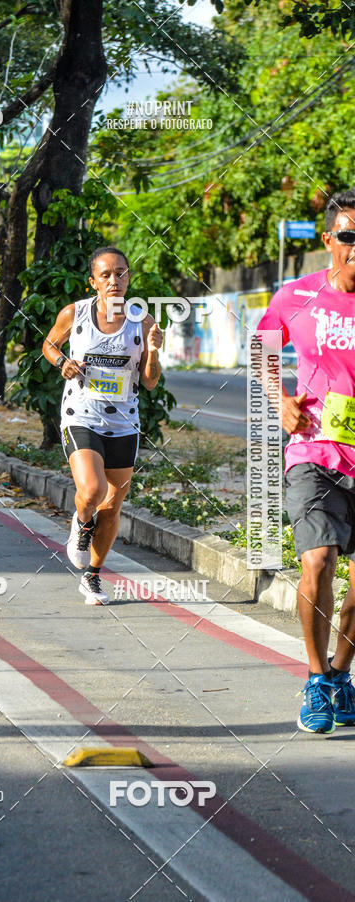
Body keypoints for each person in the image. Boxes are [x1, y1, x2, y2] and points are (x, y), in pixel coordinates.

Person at [258, 188, 355, 733]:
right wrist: (279, 401)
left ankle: (341, 675)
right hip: (313, 450)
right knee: (317, 559)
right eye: (348, 236)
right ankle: (317, 680)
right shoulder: (297, 297)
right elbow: (263, 350)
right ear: (328, 241)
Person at [42, 247, 163, 605]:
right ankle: (81, 523)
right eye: (106, 275)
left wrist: (154, 351)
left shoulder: (142, 321)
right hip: (81, 414)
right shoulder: (75, 313)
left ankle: (92, 576)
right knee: (92, 490)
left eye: (121, 273)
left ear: (129, 277)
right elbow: (50, 343)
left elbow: (151, 381)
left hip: (124, 421)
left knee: (112, 505)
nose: (115, 281)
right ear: (92, 281)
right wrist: (62, 361)